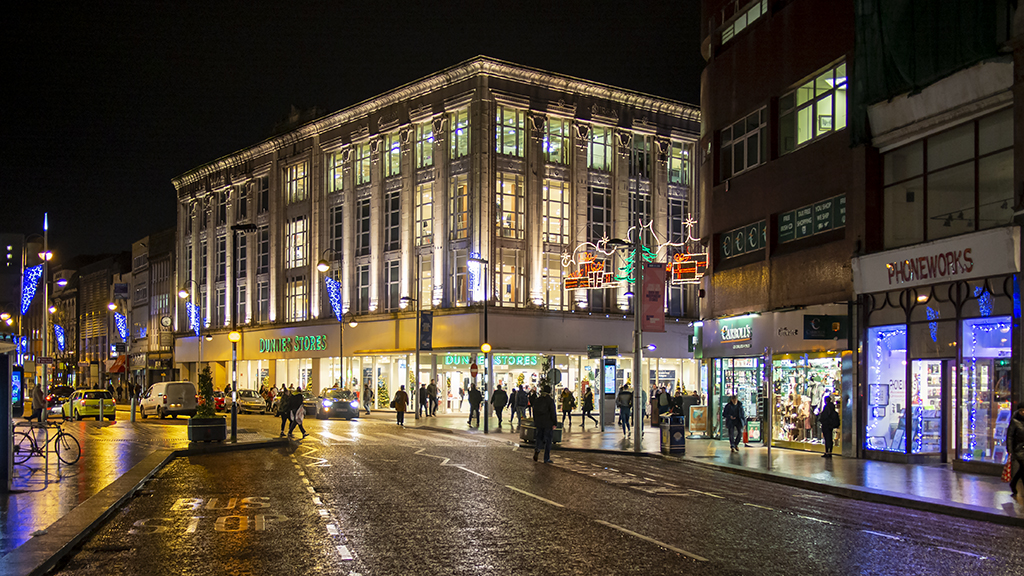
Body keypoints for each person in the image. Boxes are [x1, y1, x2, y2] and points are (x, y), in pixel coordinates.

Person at [532, 384, 558, 464]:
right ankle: (546, 458)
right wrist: (555, 422)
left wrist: (535, 421)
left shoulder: (538, 399)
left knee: (539, 437)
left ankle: (537, 449)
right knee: (548, 440)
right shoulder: (549, 400)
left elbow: (534, 411)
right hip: (548, 423)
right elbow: (553, 412)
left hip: (539, 423)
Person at [1007, 402, 1024, 497]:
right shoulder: (1015, 421)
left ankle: (1013, 484)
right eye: (1021, 410)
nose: (1023, 412)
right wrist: (1010, 450)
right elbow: (1010, 436)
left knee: (1022, 469)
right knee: (1023, 468)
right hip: (1018, 449)